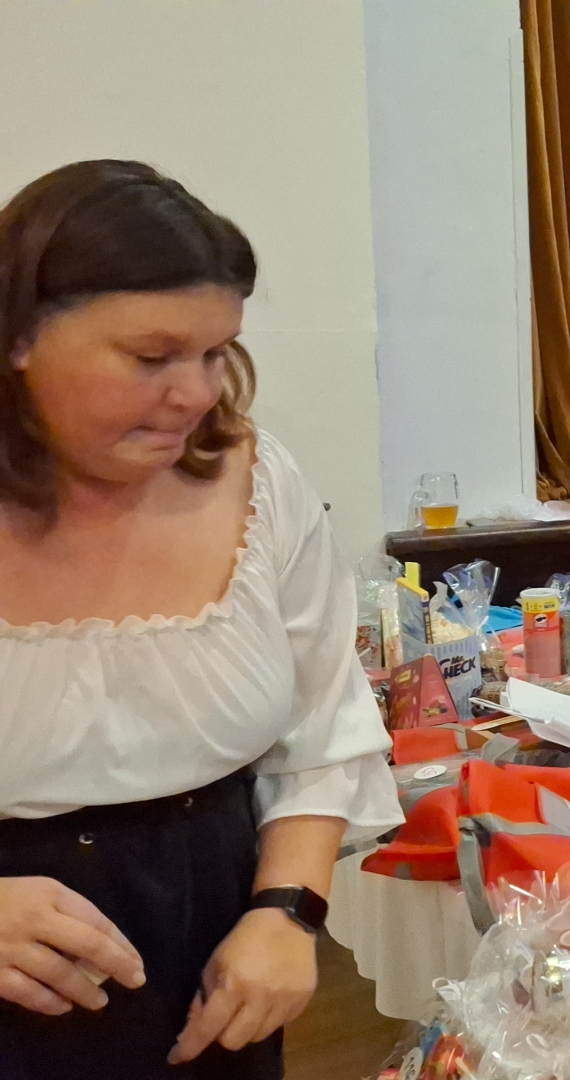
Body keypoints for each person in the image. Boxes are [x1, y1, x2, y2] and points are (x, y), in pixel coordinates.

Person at [0, 161, 402, 1076]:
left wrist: (286, 913)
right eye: (152, 358)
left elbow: (322, 732)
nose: (197, 395)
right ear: (19, 335)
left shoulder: (259, 483)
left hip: (214, 953)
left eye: (216, 353)